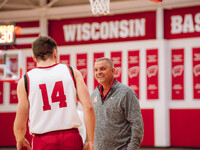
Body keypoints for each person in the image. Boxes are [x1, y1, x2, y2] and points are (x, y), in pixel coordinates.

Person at [13, 36, 95, 150]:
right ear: (55, 53)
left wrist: (20, 139)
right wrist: (90, 140)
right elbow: (89, 107)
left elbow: (20, 123)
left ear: (34, 58)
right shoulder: (72, 72)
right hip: (71, 138)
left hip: (43, 140)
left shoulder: (25, 81)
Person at [91, 57, 144, 150]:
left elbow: (137, 124)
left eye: (102, 69)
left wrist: (132, 148)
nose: (98, 72)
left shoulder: (126, 93)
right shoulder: (94, 94)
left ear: (113, 71)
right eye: (96, 70)